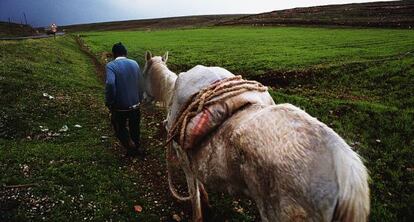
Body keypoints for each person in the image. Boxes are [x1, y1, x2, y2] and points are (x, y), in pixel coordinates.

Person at [105, 42, 145, 157]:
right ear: (125, 53)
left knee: (119, 127)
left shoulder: (111, 66)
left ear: (113, 54)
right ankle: (136, 148)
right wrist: (140, 97)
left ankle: (129, 146)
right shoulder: (134, 63)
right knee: (135, 127)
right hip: (135, 104)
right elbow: (141, 83)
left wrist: (109, 101)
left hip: (119, 107)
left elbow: (111, 84)